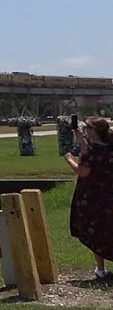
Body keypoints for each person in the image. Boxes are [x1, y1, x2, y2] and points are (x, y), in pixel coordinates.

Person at [65, 116, 113, 279]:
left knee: (96, 230)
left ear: (94, 131)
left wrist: (70, 160)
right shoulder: (108, 146)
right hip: (109, 193)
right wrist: (82, 140)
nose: (85, 129)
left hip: (92, 196)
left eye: (87, 128)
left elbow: (83, 171)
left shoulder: (90, 151)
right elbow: (93, 151)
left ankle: (100, 268)